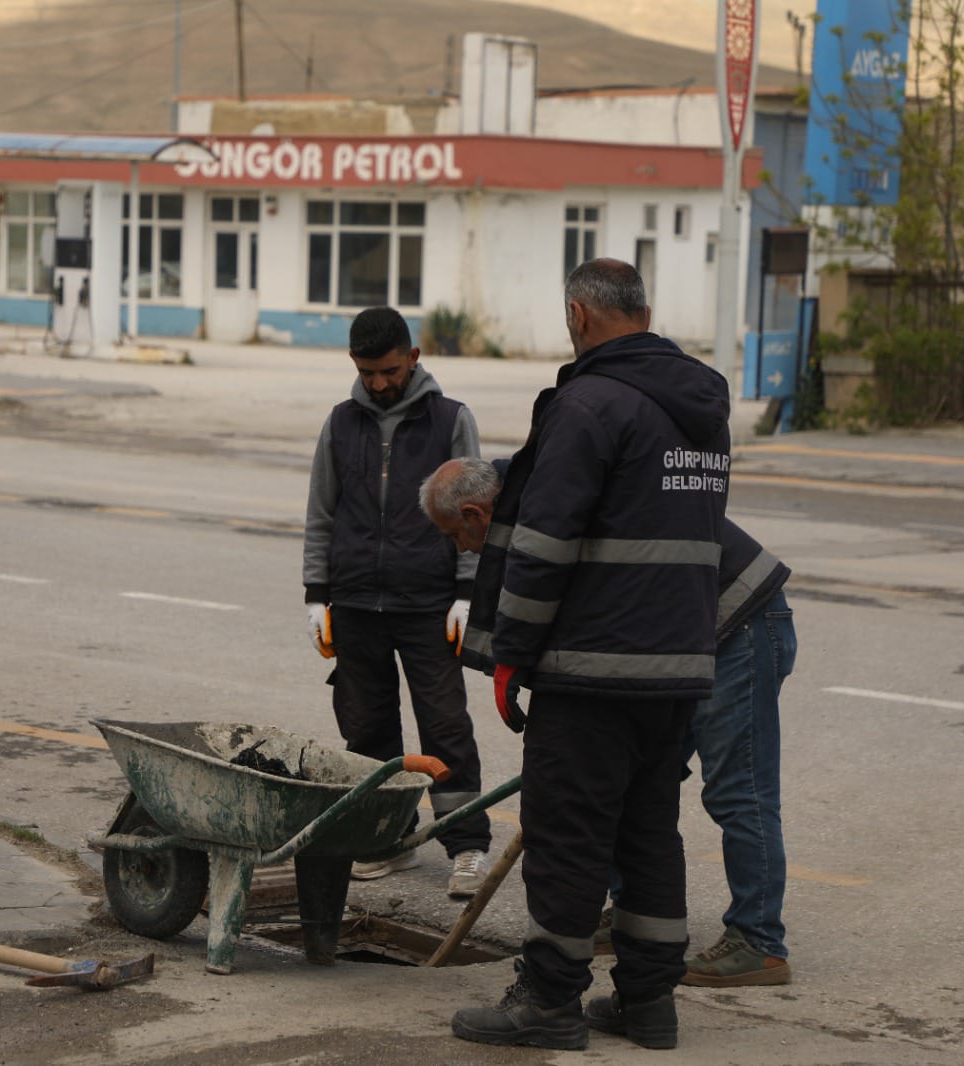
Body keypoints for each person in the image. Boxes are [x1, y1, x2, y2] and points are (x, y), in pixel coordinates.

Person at [446, 259, 731, 1051]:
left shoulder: (589, 403)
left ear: (578, 315)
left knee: (568, 834)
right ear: (646, 309)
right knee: (648, 833)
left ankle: (548, 1001)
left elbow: (541, 545)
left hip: (592, 669)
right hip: (675, 668)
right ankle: (648, 1003)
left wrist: (510, 655)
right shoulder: (702, 406)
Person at [423, 457, 798, 988]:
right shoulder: (537, 497)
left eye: (456, 536)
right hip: (678, 635)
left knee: (740, 792)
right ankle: (629, 913)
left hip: (736, 624)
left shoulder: (549, 503)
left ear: (475, 513)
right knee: (634, 779)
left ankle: (759, 942)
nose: (461, 549)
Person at [303, 305, 493, 900]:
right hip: (357, 602)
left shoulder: (450, 420)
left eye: (389, 370)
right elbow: (321, 516)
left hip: (428, 603)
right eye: (367, 372)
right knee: (365, 729)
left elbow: (474, 509)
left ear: (413, 358)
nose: (379, 383)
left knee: (445, 728)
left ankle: (466, 846)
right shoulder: (339, 424)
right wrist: (317, 595)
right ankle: (384, 838)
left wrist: (467, 592)